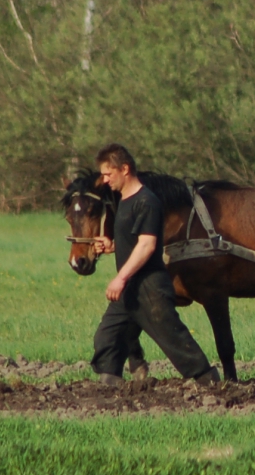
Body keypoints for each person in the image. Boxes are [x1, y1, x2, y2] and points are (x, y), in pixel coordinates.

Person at [90, 143, 219, 386]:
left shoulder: (146, 201)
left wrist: (120, 278)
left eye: (108, 174)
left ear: (124, 169)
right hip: (130, 287)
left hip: (149, 286)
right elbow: (135, 239)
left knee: (173, 338)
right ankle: (111, 385)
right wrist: (112, 246)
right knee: (106, 338)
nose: (105, 180)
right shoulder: (125, 201)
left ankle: (207, 379)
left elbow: (148, 245)